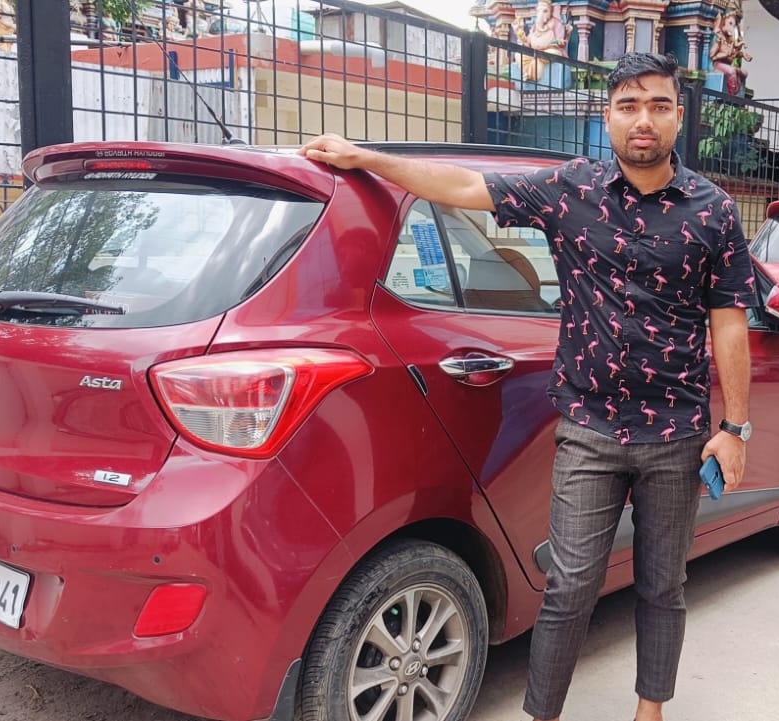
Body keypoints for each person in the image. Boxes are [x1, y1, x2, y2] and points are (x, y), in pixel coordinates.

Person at [298, 52, 755, 721]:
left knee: (663, 586)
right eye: (628, 106)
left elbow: (730, 323)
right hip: (589, 431)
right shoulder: (570, 190)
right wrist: (366, 157)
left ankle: (649, 712)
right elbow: (463, 185)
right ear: (607, 116)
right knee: (568, 587)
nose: (644, 120)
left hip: (675, 433)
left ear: (678, 116)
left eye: (658, 105)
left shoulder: (713, 211)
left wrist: (735, 428)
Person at [513, 0, 569, 83]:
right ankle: (527, 73)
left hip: (549, 52)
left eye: (545, 11)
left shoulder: (556, 24)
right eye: (539, 11)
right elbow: (529, 42)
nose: (541, 14)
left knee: (551, 53)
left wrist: (549, 44)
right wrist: (521, 35)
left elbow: (561, 42)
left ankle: (530, 74)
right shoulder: (535, 26)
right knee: (518, 55)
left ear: (551, 12)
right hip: (535, 53)